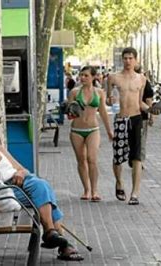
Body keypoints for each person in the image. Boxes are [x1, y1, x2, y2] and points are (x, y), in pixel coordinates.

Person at [0, 118, 83, 261]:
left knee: (42, 188)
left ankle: (54, 236)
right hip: (5, 192)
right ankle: (57, 238)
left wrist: (19, 173)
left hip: (21, 183)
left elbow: (22, 169)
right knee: (43, 191)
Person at [107, 47, 149, 205]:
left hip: (136, 118)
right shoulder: (113, 77)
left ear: (136, 60)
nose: (128, 61)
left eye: (131, 58)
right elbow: (108, 99)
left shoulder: (141, 79)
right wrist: (110, 101)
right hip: (120, 118)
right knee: (118, 157)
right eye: (125, 58)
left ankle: (135, 193)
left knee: (137, 157)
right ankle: (119, 182)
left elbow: (141, 102)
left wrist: (151, 109)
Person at [68, 66, 113, 202]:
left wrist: (109, 130)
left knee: (92, 159)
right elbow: (69, 114)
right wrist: (72, 109)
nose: (82, 78)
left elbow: (103, 112)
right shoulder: (75, 92)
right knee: (81, 160)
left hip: (93, 129)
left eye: (86, 75)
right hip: (77, 130)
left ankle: (95, 190)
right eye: (81, 75)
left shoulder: (99, 92)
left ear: (93, 77)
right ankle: (86, 190)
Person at [134, 65, 155, 164]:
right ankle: (139, 160)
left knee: (136, 139)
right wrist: (152, 116)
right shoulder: (145, 81)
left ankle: (137, 160)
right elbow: (149, 100)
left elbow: (148, 100)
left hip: (137, 115)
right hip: (141, 116)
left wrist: (151, 116)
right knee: (141, 139)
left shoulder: (144, 82)